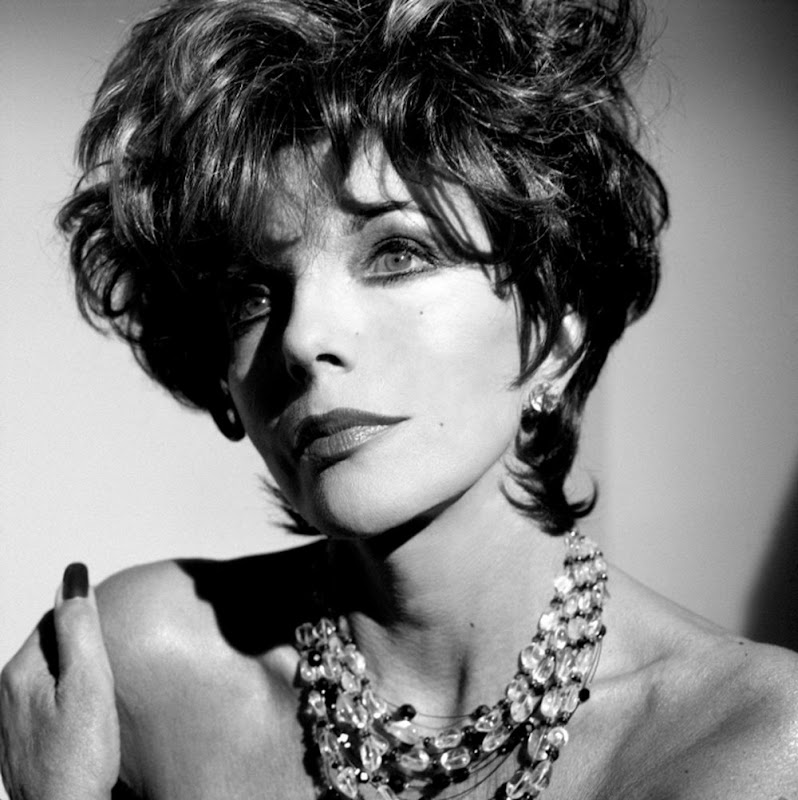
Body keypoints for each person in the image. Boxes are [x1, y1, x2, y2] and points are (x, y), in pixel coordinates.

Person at [1, 0, 797, 798]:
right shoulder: (147, 672)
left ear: (557, 326)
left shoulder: (753, 742)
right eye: (252, 293)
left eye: (397, 254)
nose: (301, 337)